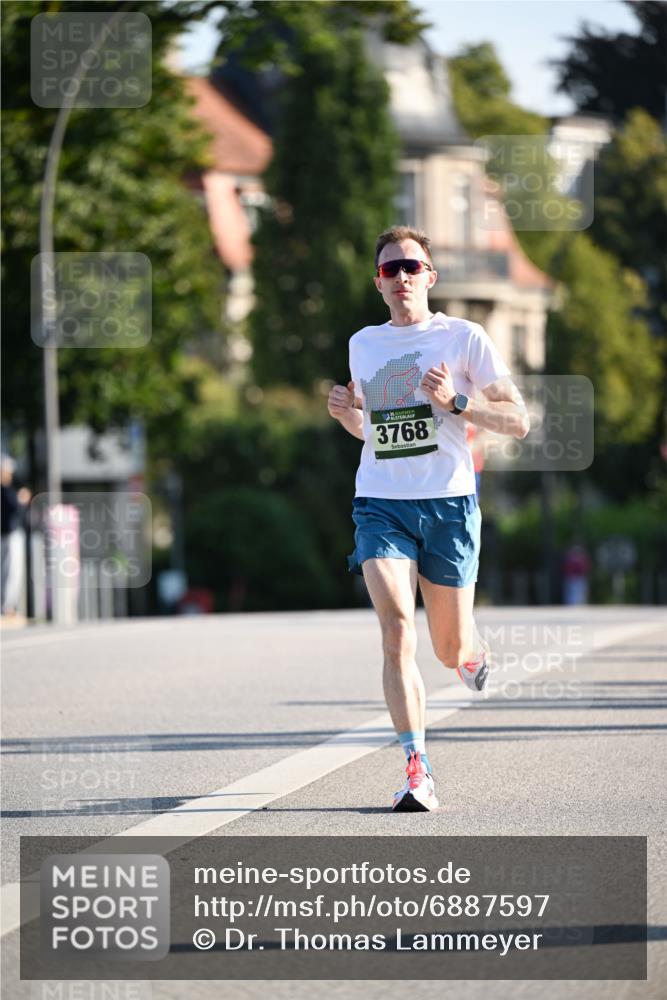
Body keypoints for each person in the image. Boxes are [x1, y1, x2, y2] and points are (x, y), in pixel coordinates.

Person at [327, 226, 529, 812]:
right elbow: (375, 436)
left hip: (448, 504)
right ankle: (417, 767)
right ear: (379, 284)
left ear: (430, 277)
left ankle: (471, 651)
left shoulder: (464, 337)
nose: (403, 277)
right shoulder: (363, 344)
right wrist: (347, 416)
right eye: (391, 270)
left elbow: (518, 421)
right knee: (396, 631)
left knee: (447, 647)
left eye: (412, 267)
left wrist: (458, 404)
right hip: (380, 503)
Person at [1, 453, 32, 617]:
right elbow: (14, 511)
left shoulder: (8, 489)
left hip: (8, 533)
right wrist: (21, 501)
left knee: (8, 570)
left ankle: (8, 606)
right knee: (11, 570)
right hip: (9, 533)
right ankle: (7, 607)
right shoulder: (6, 491)